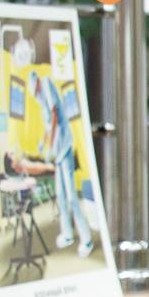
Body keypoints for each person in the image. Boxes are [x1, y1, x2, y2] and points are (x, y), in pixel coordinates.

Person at [30, 70, 92, 258]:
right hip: (57, 153)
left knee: (71, 196)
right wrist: (43, 143)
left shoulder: (46, 84)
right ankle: (67, 233)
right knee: (60, 195)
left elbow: (55, 116)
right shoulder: (41, 98)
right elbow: (48, 125)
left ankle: (86, 238)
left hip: (63, 148)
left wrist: (50, 144)